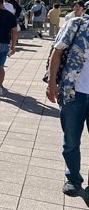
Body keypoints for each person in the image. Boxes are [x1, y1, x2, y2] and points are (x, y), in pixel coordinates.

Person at [46, 12, 89, 201]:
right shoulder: (77, 24)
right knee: (71, 141)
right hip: (73, 93)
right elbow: (56, 52)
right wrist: (51, 83)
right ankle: (74, 178)